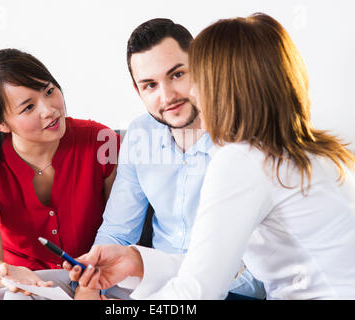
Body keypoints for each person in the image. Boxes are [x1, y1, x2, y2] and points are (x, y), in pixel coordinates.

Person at [68, 13, 355, 299]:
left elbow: (198, 290)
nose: (182, 94)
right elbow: (211, 267)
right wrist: (139, 261)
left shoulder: (243, 160)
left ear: (228, 87)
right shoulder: (302, 150)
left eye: (192, 77)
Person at [66, 18, 265, 300]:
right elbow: (118, 231)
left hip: (230, 288)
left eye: (177, 75)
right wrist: (88, 285)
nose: (167, 96)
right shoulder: (139, 134)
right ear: (138, 91)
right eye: (150, 85)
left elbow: (248, 269)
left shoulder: (241, 140)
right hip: (155, 281)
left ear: (200, 67)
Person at [0, 48, 119, 299]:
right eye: (28, 107)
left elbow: (120, 230)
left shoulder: (102, 142)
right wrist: (3, 272)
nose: (49, 110)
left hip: (85, 272)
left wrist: (91, 284)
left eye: (49, 91)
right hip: (14, 272)